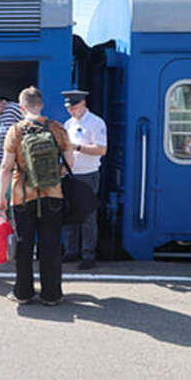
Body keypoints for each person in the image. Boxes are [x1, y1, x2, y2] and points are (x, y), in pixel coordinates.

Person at [0, 86, 73, 305]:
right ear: (41, 105)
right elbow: (70, 162)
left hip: (22, 195)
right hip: (53, 194)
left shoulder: (16, 130)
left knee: (24, 245)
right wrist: (53, 176)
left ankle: (23, 293)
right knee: (50, 244)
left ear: (22, 107)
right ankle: (52, 294)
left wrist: (2, 197)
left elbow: (5, 167)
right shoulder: (57, 128)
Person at [61, 90, 107, 270]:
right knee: (69, 213)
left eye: (74, 107)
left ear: (83, 104)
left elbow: (101, 149)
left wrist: (78, 147)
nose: (71, 111)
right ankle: (71, 251)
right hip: (70, 173)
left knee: (87, 215)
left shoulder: (95, 122)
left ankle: (88, 254)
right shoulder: (68, 123)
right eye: (69, 108)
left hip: (88, 173)